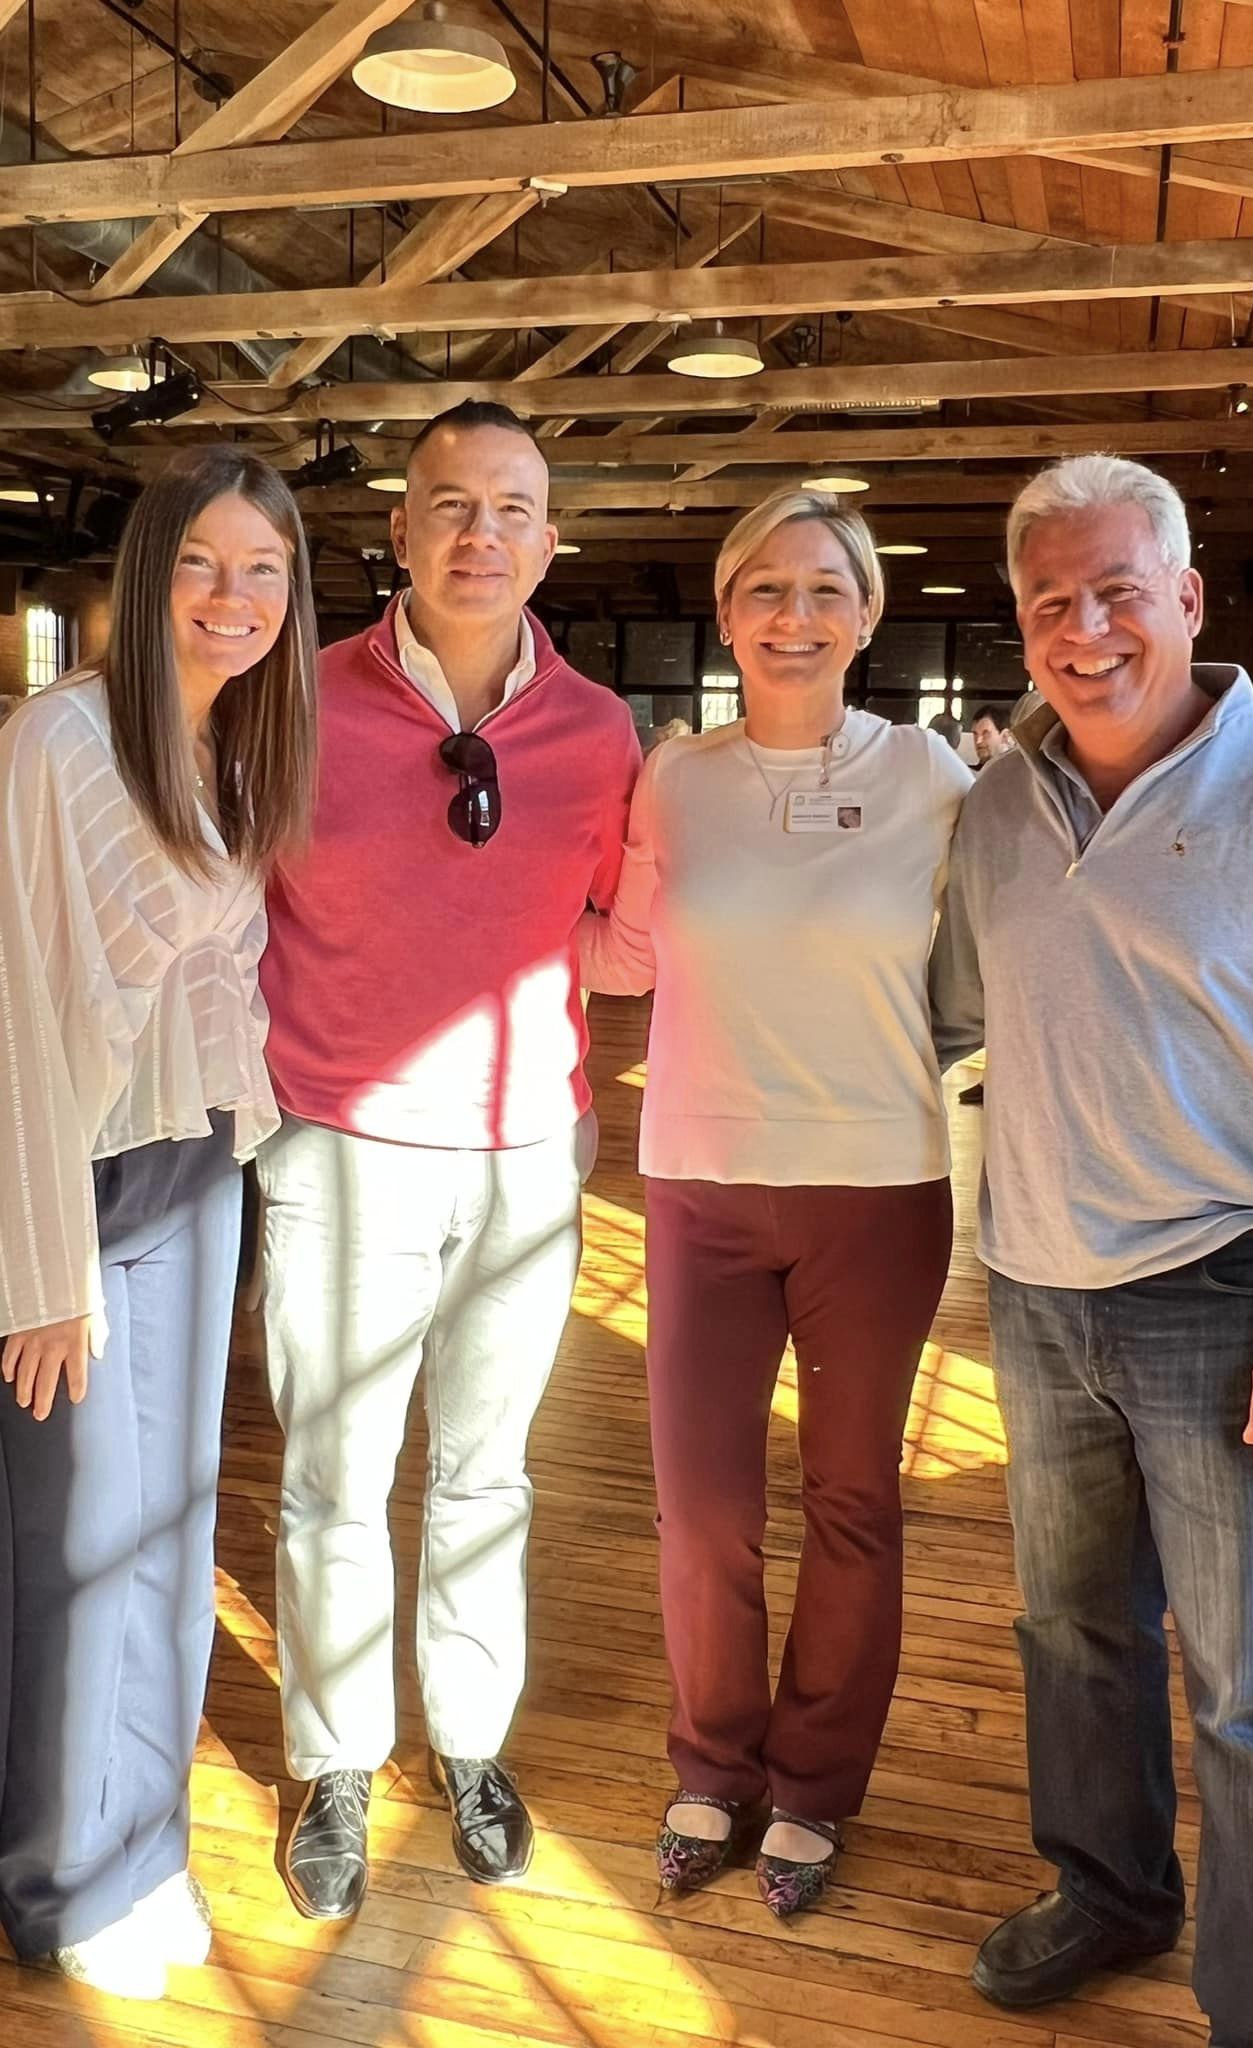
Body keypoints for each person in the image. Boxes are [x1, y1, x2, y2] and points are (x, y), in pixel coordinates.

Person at [929, 455, 1253, 2048]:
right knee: (1073, 1632)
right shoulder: (998, 810)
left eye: (1117, 593)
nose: (1085, 630)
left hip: (1231, 1298)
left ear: (1188, 599)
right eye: (1051, 603)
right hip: (1040, 1284)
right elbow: (956, 1015)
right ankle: (1110, 1889)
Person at [257, 399, 639, 1922]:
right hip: (342, 1146)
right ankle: (337, 1762)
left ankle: (471, 1742)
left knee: (487, 1475)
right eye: (451, 504)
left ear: (549, 545)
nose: (481, 533)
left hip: (526, 1153)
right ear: (399, 532)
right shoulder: (294, 701)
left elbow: (610, 929)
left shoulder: (600, 733)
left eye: (511, 508)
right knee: (335, 1479)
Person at [577, 486, 973, 1919]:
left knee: (856, 1498)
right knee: (703, 1510)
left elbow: (993, 962)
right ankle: (713, 1765)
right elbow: (624, 953)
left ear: (868, 615)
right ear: (727, 612)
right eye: (765, 589)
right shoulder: (674, 778)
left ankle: (813, 1786)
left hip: (879, 1188)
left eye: (824, 591)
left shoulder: (935, 778)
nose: (793, 617)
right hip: (700, 1184)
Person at [0, 448, 318, 1999]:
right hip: (77, 1183)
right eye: (201, 562)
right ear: (146, 574)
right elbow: (16, 1011)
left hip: (198, 1168)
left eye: (263, 570)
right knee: (75, 1546)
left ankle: (142, 1849)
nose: (231, 597)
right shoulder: (58, 743)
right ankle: (59, 1881)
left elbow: (219, 986)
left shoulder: (234, 746)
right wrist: (40, 1266)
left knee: (172, 1526)